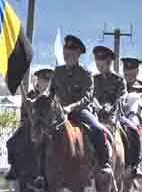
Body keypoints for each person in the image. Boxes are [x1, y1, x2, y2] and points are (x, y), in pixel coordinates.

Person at [46, 34, 112, 174]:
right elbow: (50, 94)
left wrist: (70, 108)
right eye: (65, 52)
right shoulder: (58, 72)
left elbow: (87, 97)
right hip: (60, 113)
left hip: (80, 112)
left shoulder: (85, 73)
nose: (67, 55)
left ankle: (103, 163)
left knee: (98, 129)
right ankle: (40, 169)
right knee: (40, 131)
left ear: (78, 55)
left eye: (70, 53)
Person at [92, 46, 140, 176]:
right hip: (97, 114)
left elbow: (122, 97)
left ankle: (133, 165)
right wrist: (99, 107)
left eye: (101, 63)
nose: (98, 66)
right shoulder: (94, 79)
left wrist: (111, 108)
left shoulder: (119, 80)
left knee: (133, 131)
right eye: (97, 63)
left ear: (109, 63)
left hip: (115, 116)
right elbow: (92, 96)